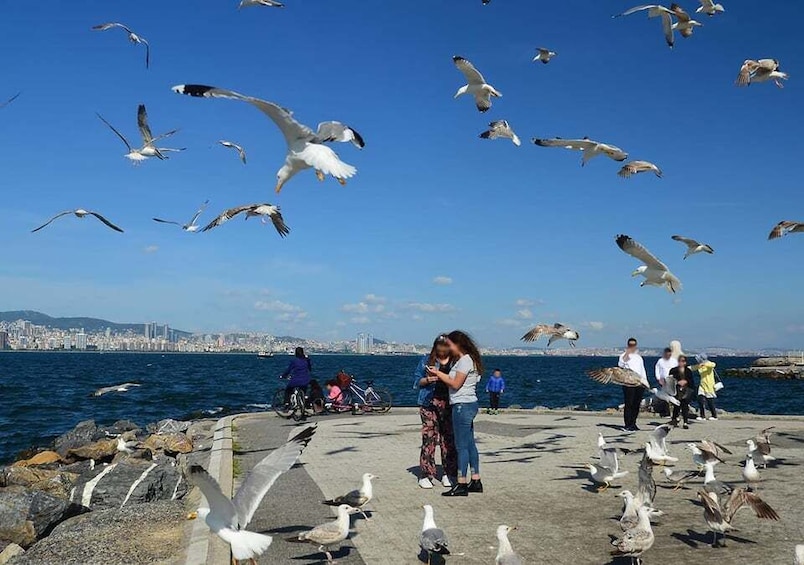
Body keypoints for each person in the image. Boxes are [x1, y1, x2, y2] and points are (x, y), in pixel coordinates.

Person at [427, 330, 484, 497]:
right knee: (470, 444)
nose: (448, 347)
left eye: (449, 344)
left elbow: (455, 384)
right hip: (470, 403)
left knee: (461, 446)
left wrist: (438, 373)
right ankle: (476, 480)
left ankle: (461, 483)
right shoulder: (470, 360)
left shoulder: (464, 361)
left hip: (462, 405)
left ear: (457, 344)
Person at [413, 335, 457, 489]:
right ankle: (426, 474)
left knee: (448, 441)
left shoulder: (455, 361)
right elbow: (417, 381)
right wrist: (427, 380)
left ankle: (449, 473)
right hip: (428, 403)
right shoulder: (426, 360)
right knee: (429, 439)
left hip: (448, 405)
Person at [618, 337, 647, 432]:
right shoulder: (623, 356)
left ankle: (633, 423)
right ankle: (627, 424)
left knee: (636, 404)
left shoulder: (639, 357)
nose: (632, 346)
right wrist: (627, 353)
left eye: (633, 345)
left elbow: (642, 370)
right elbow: (620, 365)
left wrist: (645, 382)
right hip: (628, 383)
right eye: (630, 345)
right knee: (629, 403)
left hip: (639, 383)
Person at [668, 355, 696, 429]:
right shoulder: (673, 370)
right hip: (676, 390)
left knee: (685, 406)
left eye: (683, 361)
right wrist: (677, 382)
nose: (681, 363)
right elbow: (670, 380)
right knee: (676, 405)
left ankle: (685, 422)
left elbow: (691, 381)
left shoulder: (688, 371)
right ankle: (674, 420)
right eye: (680, 361)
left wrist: (685, 381)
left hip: (686, 390)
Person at [692, 353, 719, 420]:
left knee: (710, 401)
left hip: (709, 385)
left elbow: (713, 364)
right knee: (700, 399)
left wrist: (705, 363)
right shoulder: (699, 365)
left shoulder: (709, 364)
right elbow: (692, 368)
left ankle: (714, 415)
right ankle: (702, 415)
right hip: (702, 385)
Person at [654, 347, 677, 418]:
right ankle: (666, 413)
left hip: (672, 380)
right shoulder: (660, 361)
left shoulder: (674, 361)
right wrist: (658, 378)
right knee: (664, 397)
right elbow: (657, 369)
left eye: (669, 354)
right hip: (663, 381)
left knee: (674, 396)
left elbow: (676, 370)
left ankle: (676, 413)